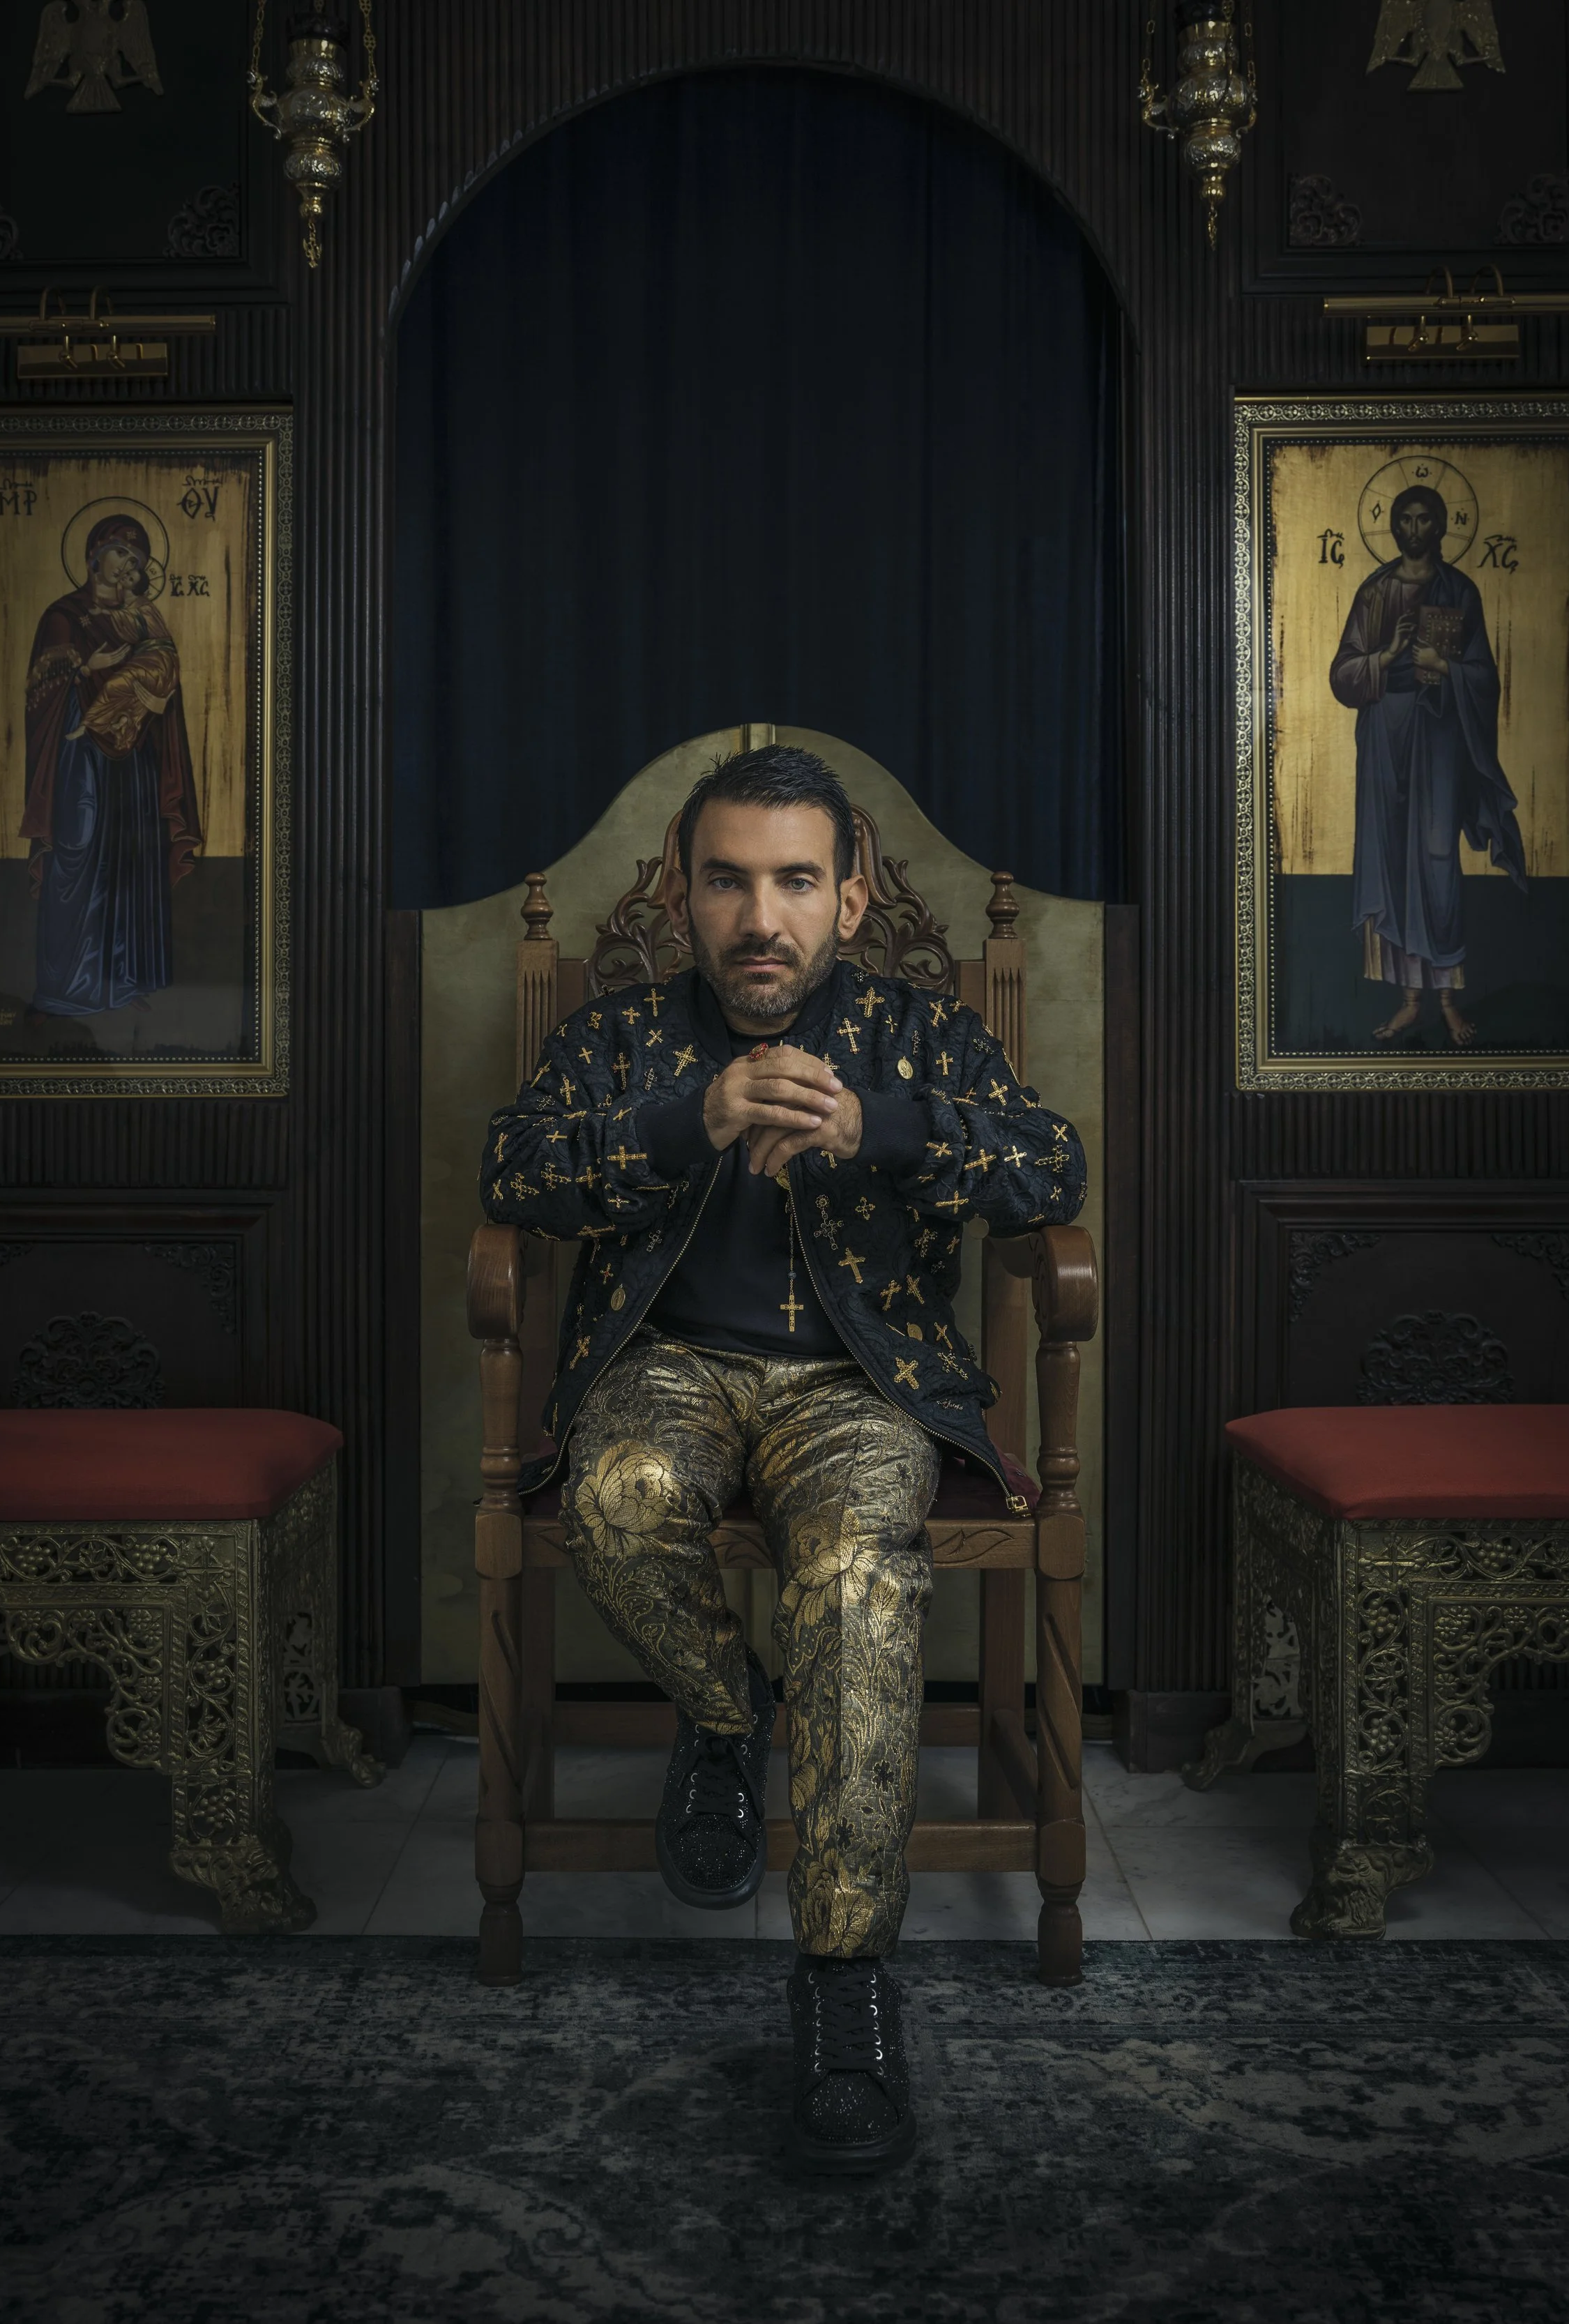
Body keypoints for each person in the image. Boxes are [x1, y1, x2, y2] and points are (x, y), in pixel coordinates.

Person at [480, 745, 1086, 2174]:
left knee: (859, 1595)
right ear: (685, 896)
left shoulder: (918, 1036)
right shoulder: (622, 1037)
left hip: (858, 1384)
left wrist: (882, 1129)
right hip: (661, 1373)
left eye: (794, 881)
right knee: (618, 1508)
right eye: (729, 880)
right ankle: (725, 1701)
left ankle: (843, 1991)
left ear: (850, 899)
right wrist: (676, 1127)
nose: (762, 916)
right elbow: (513, 1168)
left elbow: (1048, 1168)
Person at [1328, 482, 1526, 1047]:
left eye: (1425, 520)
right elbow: (1342, 673)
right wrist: (1386, 657)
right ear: (1393, 528)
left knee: (1439, 859)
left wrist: (1445, 663)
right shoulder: (1374, 592)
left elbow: (1486, 676)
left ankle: (1447, 999)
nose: (1415, 529)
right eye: (1405, 520)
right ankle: (1410, 1001)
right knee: (1392, 860)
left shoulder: (1460, 591)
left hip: (1439, 736)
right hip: (1386, 737)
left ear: (1441, 527)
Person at [20, 512, 202, 1031]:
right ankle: (63, 990)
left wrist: (152, 685)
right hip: (79, 761)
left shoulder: (142, 616)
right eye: (121, 551)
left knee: (129, 864)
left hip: (135, 761)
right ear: (95, 553)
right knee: (77, 858)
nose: (128, 564)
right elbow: (41, 694)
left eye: (137, 558)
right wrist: (87, 668)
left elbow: (166, 681)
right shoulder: (63, 616)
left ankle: (121, 980)